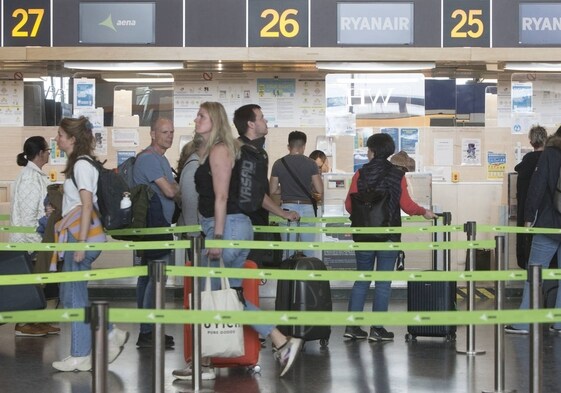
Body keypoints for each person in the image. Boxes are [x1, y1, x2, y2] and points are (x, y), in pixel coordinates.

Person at [172, 102, 302, 381]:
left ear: (214, 120)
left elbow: (220, 196)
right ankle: (275, 343)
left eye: (201, 116)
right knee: (226, 296)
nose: (196, 119)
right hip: (231, 227)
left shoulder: (220, 151)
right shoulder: (213, 151)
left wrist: (217, 237)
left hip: (227, 228)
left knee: (211, 294)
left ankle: (276, 341)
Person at [52, 117, 128, 372]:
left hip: (81, 236)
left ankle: (80, 353)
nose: (57, 138)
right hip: (78, 234)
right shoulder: (80, 164)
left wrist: (81, 243)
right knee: (71, 293)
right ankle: (108, 333)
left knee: (74, 294)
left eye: (61, 135)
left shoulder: (82, 166)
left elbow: (86, 205)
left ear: (72, 139)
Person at [344, 133, 436, 342]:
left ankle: (352, 327)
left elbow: (349, 204)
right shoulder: (396, 175)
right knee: (383, 283)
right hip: (388, 235)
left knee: (361, 281)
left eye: (368, 149)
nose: (367, 153)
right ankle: (377, 329)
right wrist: (424, 212)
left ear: (373, 151)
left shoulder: (360, 173)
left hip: (364, 235)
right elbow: (406, 205)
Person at [505, 131, 561, 335]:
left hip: (548, 223)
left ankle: (524, 322)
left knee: (535, 272)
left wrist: (528, 217)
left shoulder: (550, 154)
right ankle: (559, 322)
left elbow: (536, 187)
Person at [232, 104, 300, 266]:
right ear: (251, 124)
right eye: (261, 117)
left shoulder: (252, 150)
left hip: (252, 221)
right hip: (246, 222)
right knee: (247, 270)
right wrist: (282, 213)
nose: (265, 120)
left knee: (246, 272)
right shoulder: (246, 152)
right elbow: (255, 192)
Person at [132, 117, 179, 349]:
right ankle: (149, 331)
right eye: (164, 132)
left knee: (148, 277)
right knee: (156, 277)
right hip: (154, 226)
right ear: (152, 134)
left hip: (156, 224)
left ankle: (147, 330)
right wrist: (179, 187)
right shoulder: (150, 159)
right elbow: (170, 191)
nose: (168, 136)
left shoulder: (160, 158)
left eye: (171, 132)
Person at [10, 136, 59, 337]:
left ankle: (35, 321)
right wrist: (38, 247)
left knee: (40, 284)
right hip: (30, 243)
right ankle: (24, 324)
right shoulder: (29, 178)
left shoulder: (35, 175)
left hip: (36, 241)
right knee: (32, 285)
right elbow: (29, 218)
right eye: (47, 150)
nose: (49, 153)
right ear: (39, 153)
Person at [270, 131, 323, 256]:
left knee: (288, 251)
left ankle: (287, 274)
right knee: (309, 251)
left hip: (287, 209)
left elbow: (272, 190)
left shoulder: (278, 163)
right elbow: (319, 189)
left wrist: (287, 189)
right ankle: (307, 274)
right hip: (307, 208)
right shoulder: (311, 163)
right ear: (304, 146)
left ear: (289, 146)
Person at [514, 125, 548, 269]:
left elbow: (521, 193)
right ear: (546, 140)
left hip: (527, 216)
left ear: (530, 142)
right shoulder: (550, 161)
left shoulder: (526, 163)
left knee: (531, 261)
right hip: (547, 219)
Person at [176, 133, 205, 257]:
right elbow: (190, 202)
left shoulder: (198, 166)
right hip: (195, 234)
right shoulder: (194, 168)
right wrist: (194, 234)